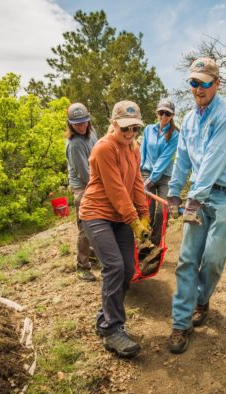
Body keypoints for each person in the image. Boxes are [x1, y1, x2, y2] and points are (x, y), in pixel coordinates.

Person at [166, 58, 226, 354]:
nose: (197, 89)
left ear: (217, 84)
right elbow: (183, 158)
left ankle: (202, 299)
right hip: (197, 197)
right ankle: (181, 321)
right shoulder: (188, 119)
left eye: (203, 83)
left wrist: (192, 199)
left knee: (213, 259)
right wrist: (175, 192)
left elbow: (213, 161)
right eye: (193, 83)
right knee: (187, 258)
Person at [80, 100, 151, 358]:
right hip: (96, 214)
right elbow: (116, 190)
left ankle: (104, 319)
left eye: (134, 128)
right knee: (114, 266)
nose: (130, 133)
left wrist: (144, 215)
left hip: (120, 215)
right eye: (124, 128)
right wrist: (133, 220)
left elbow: (135, 183)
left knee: (129, 269)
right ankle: (112, 330)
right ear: (112, 124)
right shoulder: (103, 148)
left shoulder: (134, 148)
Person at [65, 102, 98, 282]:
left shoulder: (92, 134)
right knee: (85, 227)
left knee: (99, 223)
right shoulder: (75, 144)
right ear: (70, 124)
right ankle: (82, 265)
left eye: (84, 121)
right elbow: (84, 173)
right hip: (83, 187)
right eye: (77, 123)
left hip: (95, 182)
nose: (82, 126)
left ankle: (93, 255)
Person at [140, 98, 179, 246]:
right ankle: (143, 241)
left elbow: (164, 160)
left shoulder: (175, 134)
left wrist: (150, 181)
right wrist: (140, 175)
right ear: (157, 113)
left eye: (167, 114)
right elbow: (142, 153)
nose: (163, 116)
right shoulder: (148, 129)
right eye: (161, 112)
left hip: (164, 177)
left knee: (162, 212)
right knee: (146, 211)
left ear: (172, 115)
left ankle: (155, 244)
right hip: (146, 173)